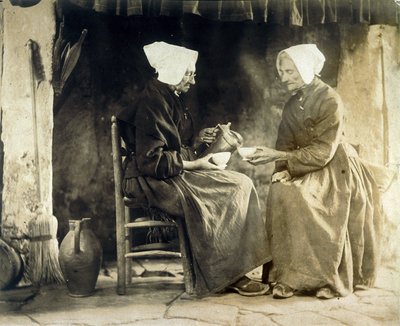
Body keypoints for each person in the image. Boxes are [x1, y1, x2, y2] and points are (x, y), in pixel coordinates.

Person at [117, 41, 271, 297]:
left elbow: (172, 148)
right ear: (172, 71)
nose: (193, 80)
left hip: (167, 175)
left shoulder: (168, 98)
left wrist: (197, 142)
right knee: (229, 190)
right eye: (188, 73)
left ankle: (232, 270)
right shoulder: (151, 103)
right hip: (148, 182)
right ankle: (227, 275)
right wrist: (197, 163)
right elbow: (151, 162)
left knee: (239, 183)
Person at [247, 44, 384, 299]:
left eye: (290, 72)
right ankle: (288, 276)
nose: (284, 78)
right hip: (303, 163)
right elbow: (284, 143)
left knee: (313, 201)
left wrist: (280, 158)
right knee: (280, 191)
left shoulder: (330, 99)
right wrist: (282, 169)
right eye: (282, 72)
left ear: (306, 69)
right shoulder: (292, 103)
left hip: (335, 165)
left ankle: (327, 279)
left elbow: (323, 152)